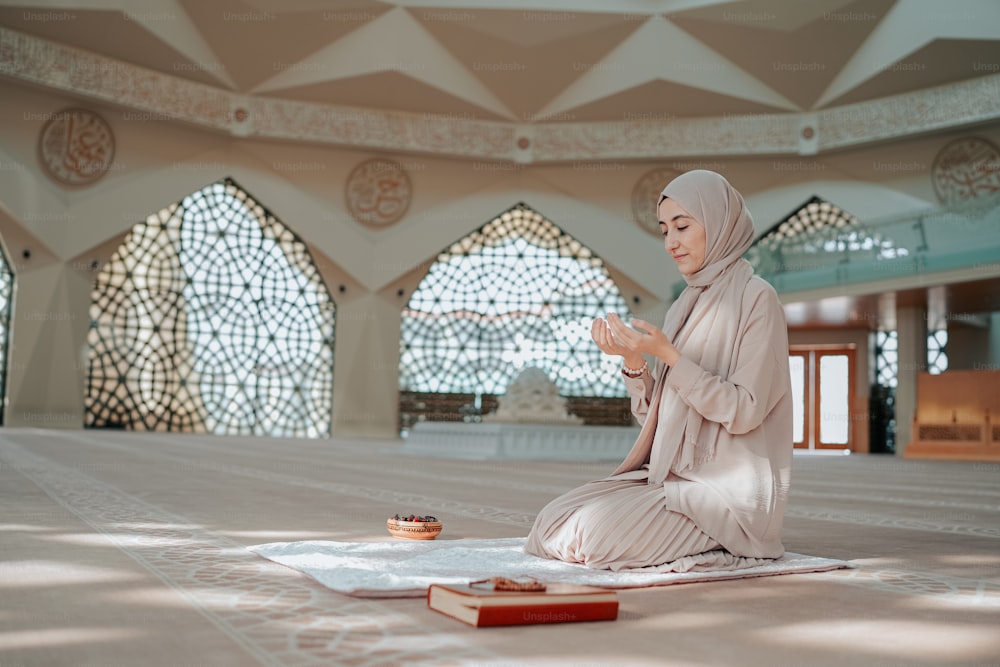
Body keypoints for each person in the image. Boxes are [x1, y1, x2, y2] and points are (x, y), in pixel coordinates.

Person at [524, 170, 793, 571]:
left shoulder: (757, 299)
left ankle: (726, 540)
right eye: (665, 230)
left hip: (723, 493)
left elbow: (745, 410)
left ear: (719, 223)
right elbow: (660, 421)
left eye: (683, 227)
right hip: (669, 480)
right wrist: (633, 362)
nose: (671, 242)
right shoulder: (685, 303)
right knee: (549, 523)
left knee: (596, 538)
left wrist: (671, 358)